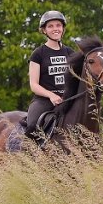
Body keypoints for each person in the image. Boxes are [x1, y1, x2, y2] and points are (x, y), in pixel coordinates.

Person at [25, 10, 75, 145]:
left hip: (67, 99)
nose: (55, 29)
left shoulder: (70, 53)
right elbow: (33, 85)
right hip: (44, 100)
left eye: (58, 25)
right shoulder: (38, 54)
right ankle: (28, 158)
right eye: (50, 26)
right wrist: (51, 95)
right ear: (44, 30)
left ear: (63, 28)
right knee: (32, 126)